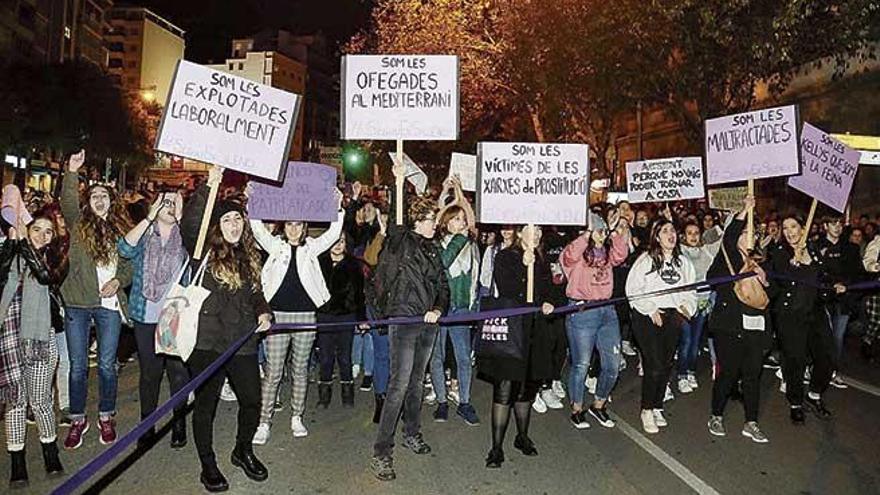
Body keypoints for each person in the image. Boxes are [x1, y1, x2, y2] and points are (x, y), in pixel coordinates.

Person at [180, 167, 273, 492]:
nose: (234, 225)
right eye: (227, 220)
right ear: (217, 226)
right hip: (206, 343)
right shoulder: (202, 251)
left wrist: (263, 312)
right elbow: (191, 223)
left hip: (242, 341)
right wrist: (210, 184)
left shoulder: (249, 255)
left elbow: (256, 292)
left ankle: (242, 450)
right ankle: (208, 465)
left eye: (238, 219)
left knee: (252, 400)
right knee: (206, 407)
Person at [248, 185, 344, 443]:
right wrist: (253, 200)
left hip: (305, 317)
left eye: (298, 224)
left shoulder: (311, 248)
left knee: (300, 369)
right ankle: (264, 422)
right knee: (274, 371)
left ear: (304, 227)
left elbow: (333, 232)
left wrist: (338, 205)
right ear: (284, 226)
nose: (293, 229)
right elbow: (256, 228)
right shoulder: (275, 246)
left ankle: (296, 416)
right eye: (289, 224)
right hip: (277, 316)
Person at [369, 194, 449, 482]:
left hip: (428, 324)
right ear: (417, 220)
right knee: (399, 385)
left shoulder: (433, 249)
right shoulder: (401, 240)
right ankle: (381, 452)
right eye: (431, 220)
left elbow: (443, 284)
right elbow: (396, 219)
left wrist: (438, 307)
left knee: (416, 383)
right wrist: (398, 179)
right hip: (403, 320)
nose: (435, 225)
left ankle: (411, 433)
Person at [59, 150, 133, 450]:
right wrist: (71, 172)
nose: (99, 199)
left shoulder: (122, 228)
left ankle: (106, 415)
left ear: (111, 200)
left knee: (106, 365)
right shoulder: (79, 224)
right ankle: (78, 419)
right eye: (94, 196)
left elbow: (130, 264)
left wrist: (118, 281)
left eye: (104, 195)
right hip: (77, 302)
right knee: (78, 366)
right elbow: (67, 202)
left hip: (109, 306)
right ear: (88, 202)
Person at [479, 225, 559, 468]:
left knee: (526, 390)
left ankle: (522, 437)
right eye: (528, 231)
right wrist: (526, 266)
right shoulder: (506, 257)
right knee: (504, 391)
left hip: (536, 333)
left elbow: (550, 291)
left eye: (537, 232)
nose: (533, 236)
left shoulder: (542, 260)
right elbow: (508, 290)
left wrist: (549, 302)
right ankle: (496, 448)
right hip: (513, 332)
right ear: (519, 234)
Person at [118, 191, 190, 449]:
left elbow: (202, 250)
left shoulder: (185, 237)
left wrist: (183, 217)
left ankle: (178, 422)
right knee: (150, 373)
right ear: (154, 207)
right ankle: (146, 425)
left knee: (178, 373)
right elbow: (124, 249)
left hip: (175, 316)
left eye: (174, 203)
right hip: (146, 315)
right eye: (164, 202)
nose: (169, 207)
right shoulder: (145, 236)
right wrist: (148, 219)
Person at [1, 209, 65, 485]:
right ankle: (17, 462)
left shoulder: (57, 258)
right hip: (9, 337)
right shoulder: (11, 252)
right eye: (36, 228)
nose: (41, 234)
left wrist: (24, 246)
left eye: (48, 231)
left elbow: (44, 276)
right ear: (27, 229)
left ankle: (50, 452)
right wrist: (12, 245)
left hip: (41, 338)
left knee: (40, 400)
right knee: (15, 401)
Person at [705, 196, 771, 443]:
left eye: (752, 234)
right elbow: (729, 239)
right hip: (729, 326)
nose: (750, 237)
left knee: (753, 375)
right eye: (746, 233)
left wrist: (765, 281)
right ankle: (716, 414)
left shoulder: (761, 261)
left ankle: (751, 422)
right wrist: (745, 210)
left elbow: (771, 295)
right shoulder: (728, 257)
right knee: (729, 373)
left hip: (755, 326)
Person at [625, 218, 697, 433]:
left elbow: (690, 290)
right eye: (665, 231)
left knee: (666, 364)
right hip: (648, 317)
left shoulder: (683, 262)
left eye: (673, 230)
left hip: (672, 318)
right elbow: (633, 290)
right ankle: (646, 409)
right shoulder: (646, 260)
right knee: (654, 364)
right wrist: (650, 308)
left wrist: (687, 308)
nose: (671, 234)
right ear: (656, 236)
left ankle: (657, 405)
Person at [561, 211, 629, 429]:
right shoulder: (577, 252)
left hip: (606, 310)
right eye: (598, 230)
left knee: (613, 364)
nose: (602, 234)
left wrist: (614, 233)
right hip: (582, 310)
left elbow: (621, 254)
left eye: (603, 231)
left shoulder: (607, 253)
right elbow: (568, 256)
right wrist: (588, 234)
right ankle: (577, 408)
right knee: (581, 363)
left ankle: (598, 404)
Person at [766, 215, 836, 424]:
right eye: (785, 228)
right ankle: (795, 402)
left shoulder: (814, 250)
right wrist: (792, 265)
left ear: (803, 228)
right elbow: (778, 280)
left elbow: (825, 278)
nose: (789, 231)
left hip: (815, 313)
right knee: (795, 360)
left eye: (794, 226)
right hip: (791, 316)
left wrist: (834, 286)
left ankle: (814, 395)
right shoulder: (779, 253)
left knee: (827, 357)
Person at [431, 176, 481, 425]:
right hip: (440, 308)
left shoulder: (470, 242)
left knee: (463, 356)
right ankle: (441, 401)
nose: (461, 223)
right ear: (446, 221)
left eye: (462, 219)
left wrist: (460, 191)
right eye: (455, 219)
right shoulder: (436, 244)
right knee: (437, 356)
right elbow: (446, 261)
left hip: (461, 307)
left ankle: (464, 401)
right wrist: (445, 192)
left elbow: (470, 217)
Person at [316, 232, 366, 408]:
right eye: (335, 241)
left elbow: (360, 294)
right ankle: (324, 394)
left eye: (342, 241)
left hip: (346, 316)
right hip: (325, 316)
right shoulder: (319, 262)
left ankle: (347, 392)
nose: (338, 245)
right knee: (325, 357)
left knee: (345, 357)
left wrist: (361, 318)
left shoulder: (354, 265)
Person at [814, 215, 862, 388]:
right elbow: (813, 272)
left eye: (840, 224)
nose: (837, 227)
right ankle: (815, 367)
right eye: (833, 223)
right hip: (821, 300)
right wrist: (829, 284)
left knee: (837, 337)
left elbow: (858, 273)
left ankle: (832, 370)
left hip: (843, 301)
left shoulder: (851, 248)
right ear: (825, 225)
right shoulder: (815, 246)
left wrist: (846, 285)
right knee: (820, 337)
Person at [678, 220, 722, 393]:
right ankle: (681, 375)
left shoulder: (707, 251)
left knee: (695, 342)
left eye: (696, 233)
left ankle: (690, 371)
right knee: (686, 341)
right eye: (689, 233)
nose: (693, 236)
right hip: (685, 305)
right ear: (683, 235)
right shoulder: (679, 252)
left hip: (703, 304)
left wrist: (731, 216)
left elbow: (726, 239)